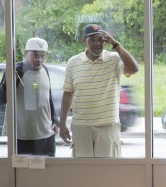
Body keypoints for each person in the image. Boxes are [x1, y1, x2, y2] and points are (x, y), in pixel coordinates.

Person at [59, 24, 139, 157]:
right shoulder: (73, 63)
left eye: (100, 39)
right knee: (83, 174)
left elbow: (133, 69)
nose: (97, 43)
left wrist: (115, 44)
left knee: (107, 173)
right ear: (84, 41)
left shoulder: (114, 59)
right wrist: (62, 125)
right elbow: (67, 94)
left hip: (107, 127)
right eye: (92, 40)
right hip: (81, 127)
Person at [0, 37, 58, 156]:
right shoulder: (16, 70)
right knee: (23, 173)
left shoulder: (45, 70)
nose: (40, 59)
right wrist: (9, 81)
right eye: (35, 55)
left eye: (43, 56)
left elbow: (48, 99)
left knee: (48, 172)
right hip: (21, 137)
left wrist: (55, 121)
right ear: (25, 53)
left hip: (46, 134)